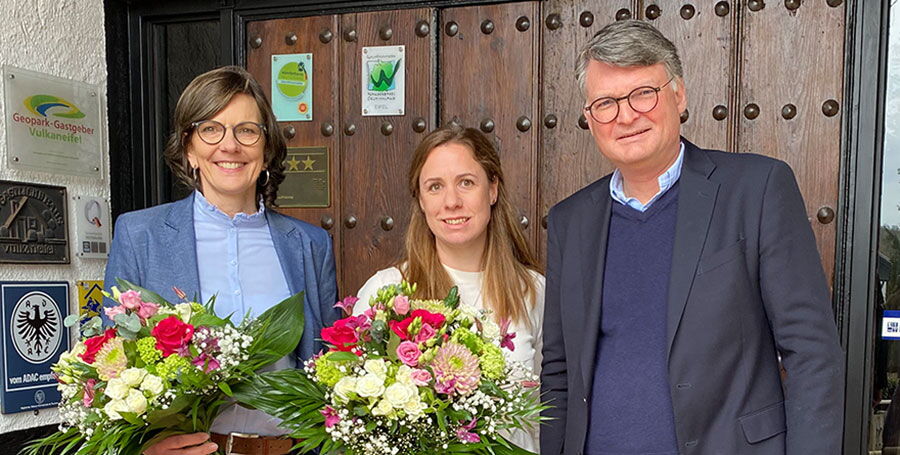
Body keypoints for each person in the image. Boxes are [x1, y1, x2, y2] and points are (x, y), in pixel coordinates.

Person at [540, 20, 844, 455]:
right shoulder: (570, 221)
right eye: (605, 103)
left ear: (678, 94)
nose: (625, 116)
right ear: (589, 119)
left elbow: (810, 352)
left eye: (643, 93)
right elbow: (559, 372)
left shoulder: (756, 189)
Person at [103, 66, 339, 455]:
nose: (229, 145)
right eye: (211, 129)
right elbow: (107, 362)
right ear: (189, 149)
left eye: (247, 130)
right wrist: (141, 450)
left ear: (266, 151)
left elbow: (330, 363)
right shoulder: (140, 235)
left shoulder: (309, 244)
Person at [354, 125, 545, 452]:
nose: (452, 202)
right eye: (435, 187)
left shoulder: (534, 291)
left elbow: (551, 411)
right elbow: (358, 414)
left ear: (493, 189)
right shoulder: (385, 292)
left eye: (466, 183)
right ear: (421, 200)